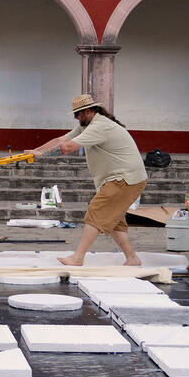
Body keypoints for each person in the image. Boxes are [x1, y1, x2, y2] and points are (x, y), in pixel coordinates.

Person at [27, 94, 147, 267]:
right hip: (121, 178)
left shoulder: (100, 126)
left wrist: (43, 154)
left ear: (89, 111)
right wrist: (33, 152)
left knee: (96, 211)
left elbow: (67, 147)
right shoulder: (87, 125)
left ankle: (78, 257)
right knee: (114, 221)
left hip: (125, 178)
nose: (76, 118)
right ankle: (132, 258)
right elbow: (61, 140)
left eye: (78, 114)